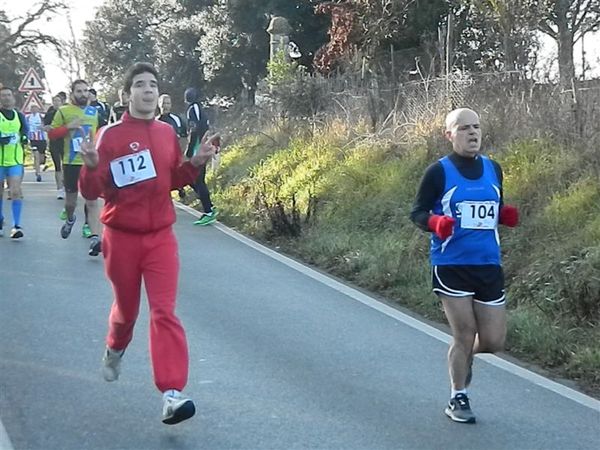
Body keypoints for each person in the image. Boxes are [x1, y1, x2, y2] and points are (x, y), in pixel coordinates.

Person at [78, 62, 219, 425]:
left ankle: (172, 394)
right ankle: (115, 348)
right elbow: (92, 192)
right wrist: (91, 166)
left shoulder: (164, 134)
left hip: (160, 239)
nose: (148, 90)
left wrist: (197, 163)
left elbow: (172, 179)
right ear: (127, 95)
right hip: (121, 238)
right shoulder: (109, 137)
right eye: (139, 85)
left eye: (153, 85)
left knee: (164, 311)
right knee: (127, 312)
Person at [410, 108, 519, 424]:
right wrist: (434, 222)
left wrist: (503, 215)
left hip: (488, 264)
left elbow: (492, 207)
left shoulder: (493, 168)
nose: (472, 134)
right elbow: (416, 212)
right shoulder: (438, 172)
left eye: (477, 127)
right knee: (464, 332)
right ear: (449, 135)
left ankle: (462, 354)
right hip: (451, 264)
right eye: (464, 128)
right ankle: (459, 396)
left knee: (494, 342)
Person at [48, 80, 102, 256]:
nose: (83, 94)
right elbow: (52, 133)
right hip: (71, 162)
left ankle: (94, 236)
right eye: (79, 91)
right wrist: (68, 127)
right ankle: (71, 219)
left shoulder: (95, 112)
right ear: (72, 93)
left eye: (86, 91)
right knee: (71, 202)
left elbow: (102, 134)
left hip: (90, 162)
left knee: (91, 200)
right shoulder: (63, 111)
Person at [184, 87, 218, 225]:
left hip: (198, 149)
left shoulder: (193, 109)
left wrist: (189, 150)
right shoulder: (199, 108)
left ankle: (209, 211)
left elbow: (194, 130)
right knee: (194, 179)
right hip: (203, 146)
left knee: (197, 180)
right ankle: (209, 205)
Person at [0, 86, 28, 239]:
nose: (6, 98)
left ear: (13, 97)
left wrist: (24, 137)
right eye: (3, 95)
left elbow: (24, 131)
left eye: (8, 95)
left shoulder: (19, 115)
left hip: (15, 160)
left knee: (15, 191)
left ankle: (16, 226)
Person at [157, 93, 187, 199]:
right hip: (160, 156)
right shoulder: (154, 121)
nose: (165, 105)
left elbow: (184, 136)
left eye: (168, 103)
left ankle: (180, 188)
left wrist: (182, 152)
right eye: (163, 103)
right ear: (158, 104)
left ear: (171, 105)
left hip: (174, 153)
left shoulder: (176, 119)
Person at [44, 94, 65, 199]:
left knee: (65, 166)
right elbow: (44, 126)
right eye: (54, 101)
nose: (56, 103)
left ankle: (65, 185)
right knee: (57, 166)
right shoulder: (50, 114)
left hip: (65, 142)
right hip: (54, 142)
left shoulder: (65, 113)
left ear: (62, 102)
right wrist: (47, 128)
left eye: (58, 101)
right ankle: (59, 190)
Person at [25, 104, 48, 182]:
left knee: (41, 158)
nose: (34, 110)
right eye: (32, 108)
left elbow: (47, 126)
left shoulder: (42, 116)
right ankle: (38, 173)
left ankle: (42, 164)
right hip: (33, 139)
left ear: (38, 109)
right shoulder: (27, 117)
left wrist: (43, 127)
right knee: (36, 156)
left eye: (35, 108)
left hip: (42, 139)